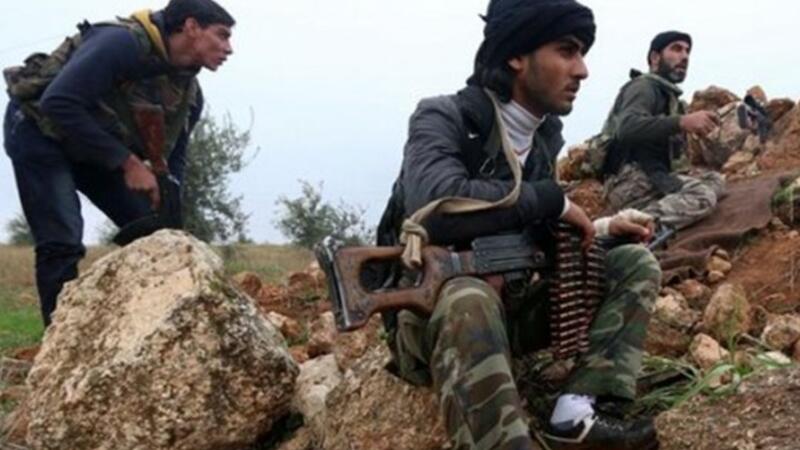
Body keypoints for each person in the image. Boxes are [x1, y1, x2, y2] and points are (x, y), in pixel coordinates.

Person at [377, 1, 662, 448]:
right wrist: (550, 199)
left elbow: (526, 232)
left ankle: (577, 414)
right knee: (468, 297)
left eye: (582, 53)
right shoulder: (444, 116)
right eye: (566, 51)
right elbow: (434, 204)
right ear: (516, 55)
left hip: (508, 311)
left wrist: (603, 230)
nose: (582, 70)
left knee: (632, 263)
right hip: (436, 318)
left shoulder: (543, 138)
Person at [3, 0, 235, 326]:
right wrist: (128, 163)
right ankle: (58, 341)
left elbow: (174, 159)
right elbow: (59, 102)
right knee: (62, 239)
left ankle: (152, 329)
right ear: (191, 27)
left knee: (156, 233)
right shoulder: (120, 43)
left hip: (93, 147)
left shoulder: (189, 96)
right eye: (222, 35)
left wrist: (168, 203)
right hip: (41, 132)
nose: (228, 48)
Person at [601, 30, 726, 235]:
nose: (684, 56)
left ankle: (650, 211)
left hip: (655, 175)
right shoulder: (643, 87)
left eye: (687, 51)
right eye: (676, 49)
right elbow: (627, 128)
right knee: (702, 195)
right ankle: (634, 227)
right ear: (655, 58)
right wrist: (682, 122)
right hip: (630, 180)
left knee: (715, 181)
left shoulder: (668, 96)